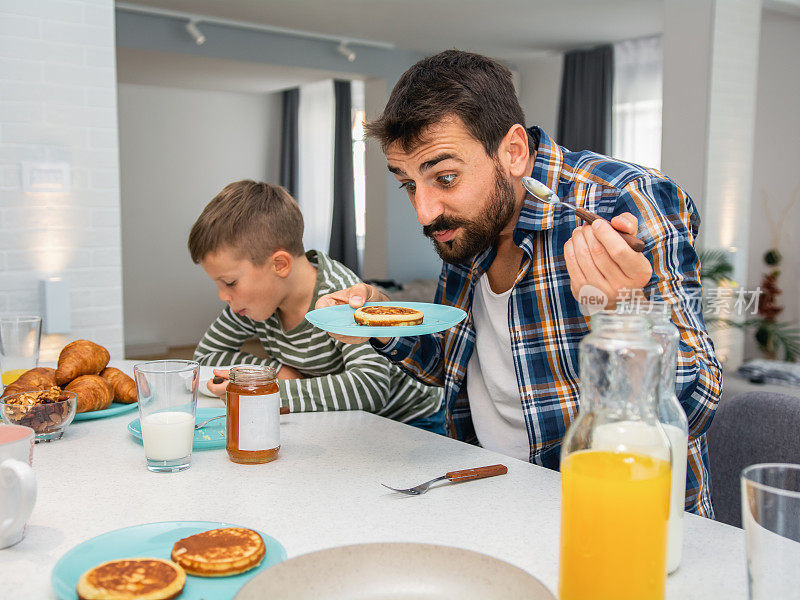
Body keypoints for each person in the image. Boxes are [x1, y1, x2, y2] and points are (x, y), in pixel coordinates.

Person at [317, 50, 722, 516]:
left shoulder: (623, 199)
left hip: (615, 513)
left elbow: (700, 403)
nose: (425, 212)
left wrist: (624, 318)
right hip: (489, 494)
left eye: (444, 177)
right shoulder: (467, 225)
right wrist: (381, 314)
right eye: (409, 184)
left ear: (511, 151)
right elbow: (448, 365)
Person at [187, 180, 444, 433]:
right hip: (347, 422)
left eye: (230, 282)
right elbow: (204, 359)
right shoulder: (253, 303)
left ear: (279, 265)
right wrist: (274, 372)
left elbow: (369, 387)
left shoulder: (339, 297)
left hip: (413, 423)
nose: (223, 295)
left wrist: (267, 388)